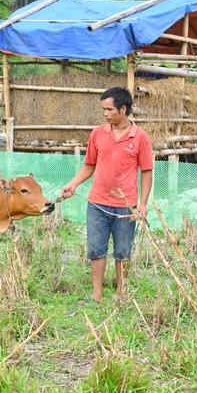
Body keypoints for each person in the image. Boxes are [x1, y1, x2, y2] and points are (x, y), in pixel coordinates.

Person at [61, 87, 154, 302]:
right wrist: (72, 184)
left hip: (125, 205)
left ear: (123, 109)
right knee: (96, 248)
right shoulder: (98, 134)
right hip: (97, 203)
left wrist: (143, 204)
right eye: (103, 109)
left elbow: (147, 172)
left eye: (109, 109)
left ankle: (121, 293)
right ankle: (97, 294)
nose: (105, 114)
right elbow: (89, 165)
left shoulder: (140, 137)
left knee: (122, 251)